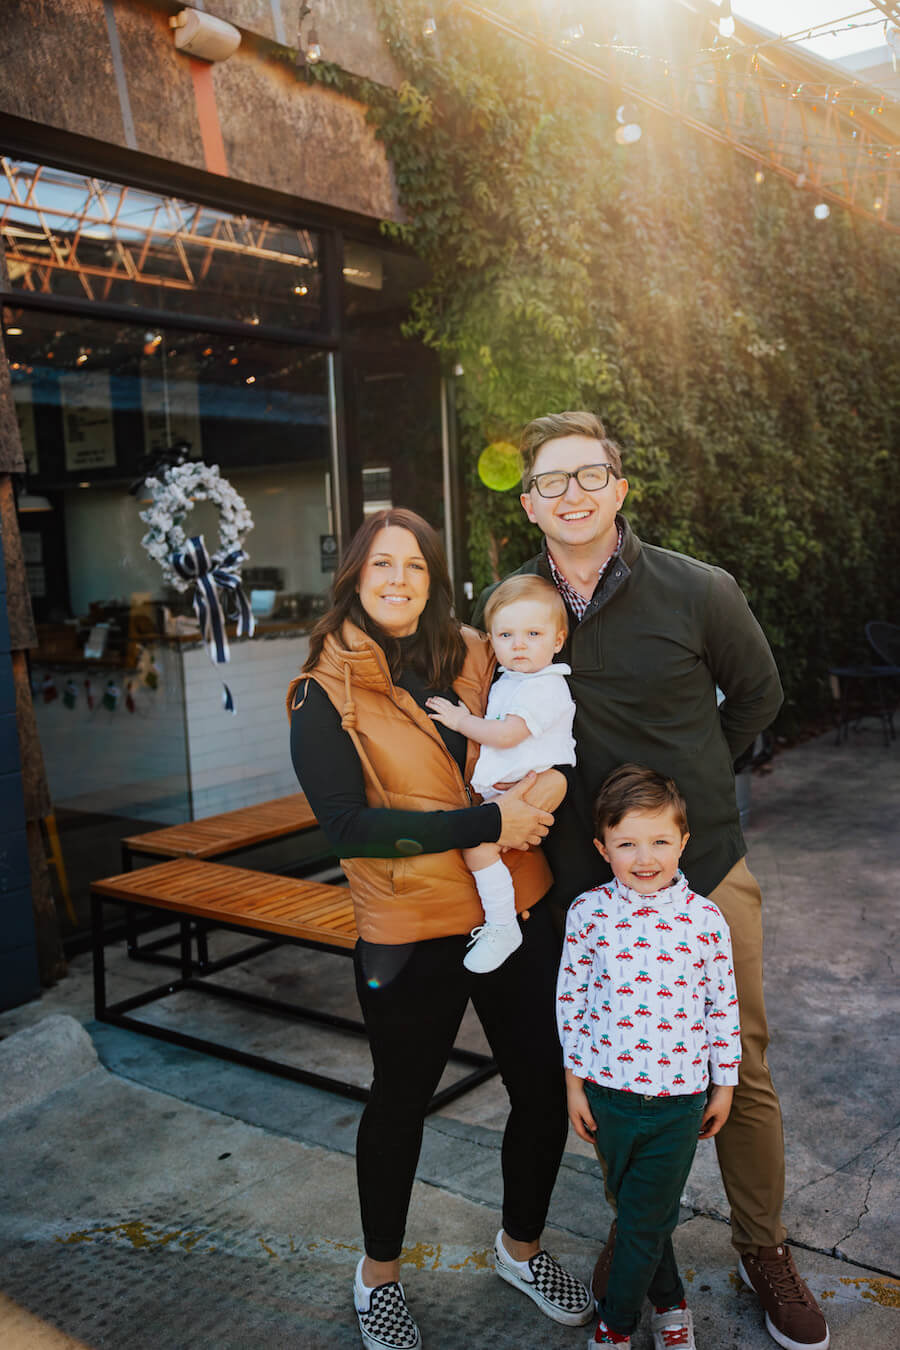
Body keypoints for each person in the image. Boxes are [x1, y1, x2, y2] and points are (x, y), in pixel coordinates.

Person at [473, 412, 829, 1350]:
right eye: (553, 480)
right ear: (529, 501)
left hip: (701, 863)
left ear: (620, 489)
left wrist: (694, 778)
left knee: (737, 1065)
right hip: (576, 882)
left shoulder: (697, 589)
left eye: (591, 475)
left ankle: (763, 1247)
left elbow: (758, 695)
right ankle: (639, 1233)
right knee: (603, 1065)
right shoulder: (514, 607)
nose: (575, 493)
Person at [288, 508, 593, 1350]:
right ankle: (377, 1277)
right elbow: (347, 828)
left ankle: (520, 1250)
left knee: (539, 1091)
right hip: (411, 923)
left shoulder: (477, 651)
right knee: (401, 1102)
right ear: (353, 575)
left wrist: (553, 792)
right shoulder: (323, 691)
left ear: (434, 578)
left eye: (415, 566)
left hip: (515, 905)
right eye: (381, 564)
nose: (398, 580)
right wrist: (484, 826)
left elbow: (551, 727)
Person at [558, 764, 740, 1349]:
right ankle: (672, 1302)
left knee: (640, 1220)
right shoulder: (588, 914)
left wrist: (726, 1083)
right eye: (626, 842)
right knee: (641, 1212)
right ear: (601, 847)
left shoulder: (705, 921)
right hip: (609, 1094)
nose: (645, 857)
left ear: (683, 842)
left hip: (679, 1101)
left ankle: (615, 1325)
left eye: (660, 841)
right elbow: (572, 1000)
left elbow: (722, 1006)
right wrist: (574, 1082)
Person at [425, 574, 576, 974]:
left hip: (535, 786)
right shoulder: (513, 679)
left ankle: (502, 926)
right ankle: (502, 921)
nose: (519, 644)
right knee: (481, 847)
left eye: (532, 633)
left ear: (557, 641)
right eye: (506, 635)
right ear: (490, 640)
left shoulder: (545, 686)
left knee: (478, 848)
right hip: (516, 787)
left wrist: (460, 720)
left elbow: (508, 734)